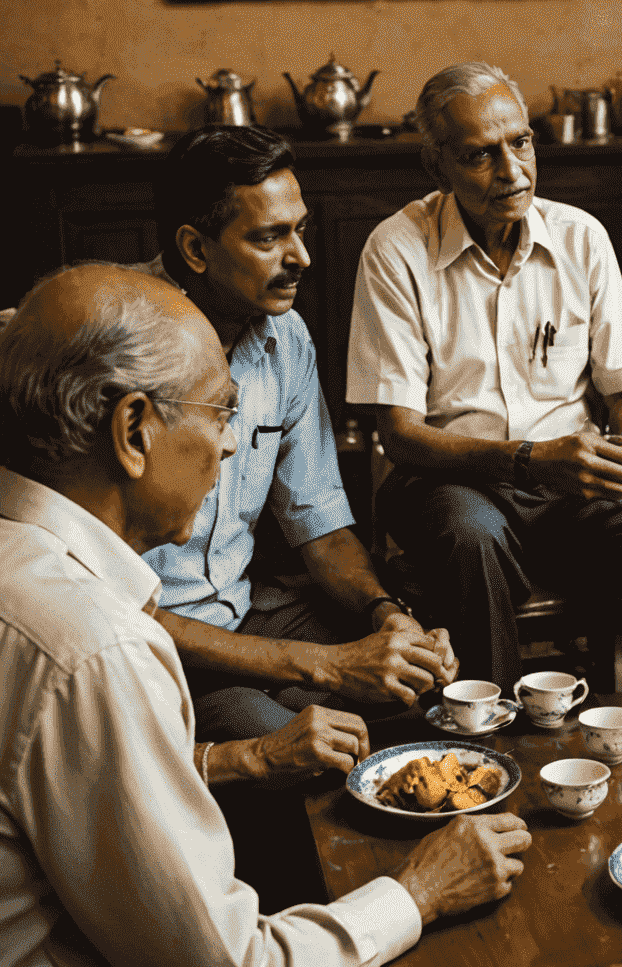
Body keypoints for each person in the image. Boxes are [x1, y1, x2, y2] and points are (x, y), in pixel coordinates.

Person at [0, 262, 532, 966]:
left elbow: (59, 779)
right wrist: (418, 892)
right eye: (221, 412)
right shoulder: (99, 648)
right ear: (133, 431)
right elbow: (231, 961)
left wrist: (247, 759)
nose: (229, 443)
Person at [348, 62, 622, 690]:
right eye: (479, 156)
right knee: (474, 546)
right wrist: (527, 460)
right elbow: (401, 436)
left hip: (570, 481)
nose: (511, 171)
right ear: (436, 167)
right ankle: (490, 739)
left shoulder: (582, 239)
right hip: (445, 478)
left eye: (519, 142)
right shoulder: (397, 249)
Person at [144, 125, 457, 749]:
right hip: (148, 644)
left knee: (428, 699)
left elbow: (321, 528)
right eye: (269, 237)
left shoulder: (286, 341)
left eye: (301, 229)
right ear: (195, 248)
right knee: (304, 752)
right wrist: (322, 664)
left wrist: (388, 617)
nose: (302, 258)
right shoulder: (115, 344)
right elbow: (105, 606)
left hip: (245, 610)